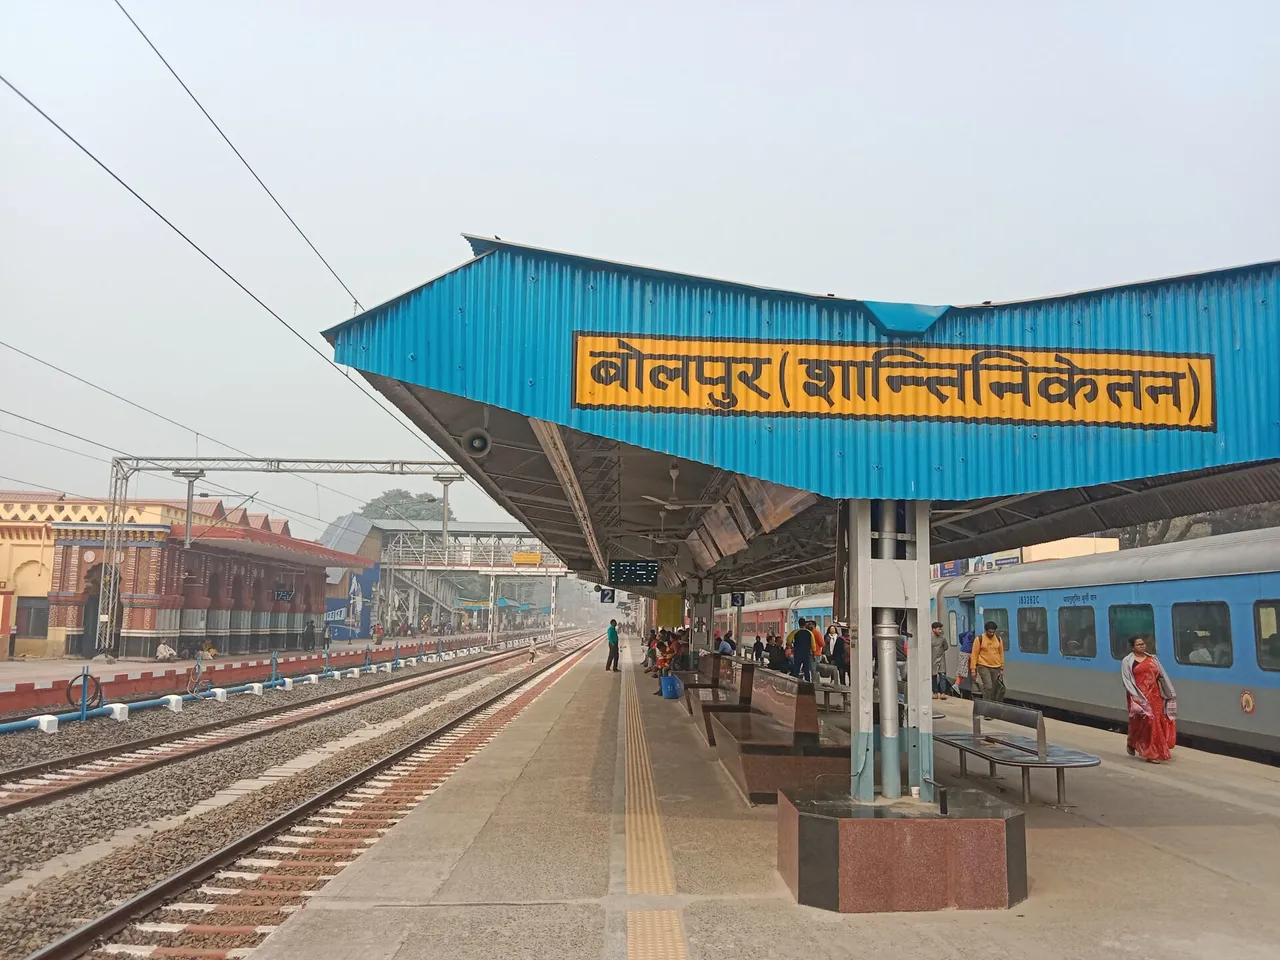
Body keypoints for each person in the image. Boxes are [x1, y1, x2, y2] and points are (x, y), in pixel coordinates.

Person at [1121, 635, 1177, 762]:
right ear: (1132, 647)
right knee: (1142, 723)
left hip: (1154, 695)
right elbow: (1127, 680)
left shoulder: (1153, 659)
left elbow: (1162, 676)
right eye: (1139, 644)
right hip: (1139, 696)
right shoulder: (1127, 661)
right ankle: (1137, 744)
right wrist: (1133, 694)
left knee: (1155, 723)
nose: (1142, 646)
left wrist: (1169, 692)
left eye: (1143, 644)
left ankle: (1152, 752)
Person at [969, 620, 1006, 702]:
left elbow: (1001, 653)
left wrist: (1001, 668)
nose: (992, 634)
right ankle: (985, 704)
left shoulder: (998, 639)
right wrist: (973, 669)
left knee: (994, 688)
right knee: (988, 686)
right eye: (990, 632)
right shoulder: (979, 639)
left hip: (996, 667)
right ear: (986, 631)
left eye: (993, 632)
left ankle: (992, 705)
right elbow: (974, 654)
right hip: (983, 665)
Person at [930, 621, 949, 700]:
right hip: (932, 659)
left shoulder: (943, 639)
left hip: (941, 659)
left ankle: (943, 693)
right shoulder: (929, 638)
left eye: (940, 629)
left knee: (942, 676)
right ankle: (935, 692)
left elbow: (946, 647)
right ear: (933, 629)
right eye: (938, 629)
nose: (940, 631)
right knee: (933, 676)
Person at [955, 628, 975, 698]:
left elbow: (960, 635)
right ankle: (956, 685)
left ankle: (957, 685)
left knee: (964, 669)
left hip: (963, 651)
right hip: (966, 653)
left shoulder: (969, 632)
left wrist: (962, 643)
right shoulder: (974, 637)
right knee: (963, 670)